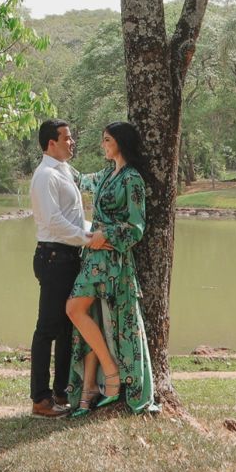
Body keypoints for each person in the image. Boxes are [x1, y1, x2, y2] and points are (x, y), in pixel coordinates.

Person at [64, 120, 156, 415]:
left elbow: (136, 226)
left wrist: (106, 235)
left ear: (120, 142)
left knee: (75, 309)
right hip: (93, 256)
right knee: (86, 313)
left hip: (112, 258)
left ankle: (114, 376)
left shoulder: (132, 179)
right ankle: (91, 389)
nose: (102, 144)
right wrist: (57, 161)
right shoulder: (106, 174)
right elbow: (79, 181)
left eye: (107, 140)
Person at [26, 118, 86, 418]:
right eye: (67, 138)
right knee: (48, 329)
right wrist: (89, 238)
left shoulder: (63, 171)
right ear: (52, 143)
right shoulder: (44, 176)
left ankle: (62, 392)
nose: (71, 142)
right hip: (53, 257)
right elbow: (54, 223)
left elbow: (72, 218)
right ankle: (40, 399)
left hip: (69, 256)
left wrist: (93, 232)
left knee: (66, 329)